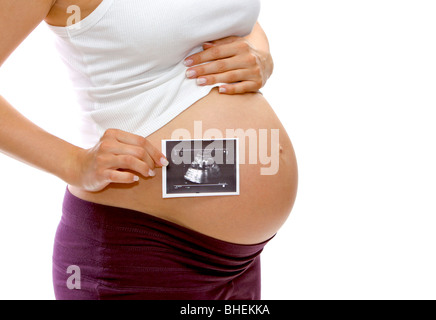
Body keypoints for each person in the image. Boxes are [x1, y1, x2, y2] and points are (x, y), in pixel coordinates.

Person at [0, 0, 298, 299]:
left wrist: (259, 53)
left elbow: (231, 19)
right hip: (137, 255)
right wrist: (73, 163)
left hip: (239, 263)